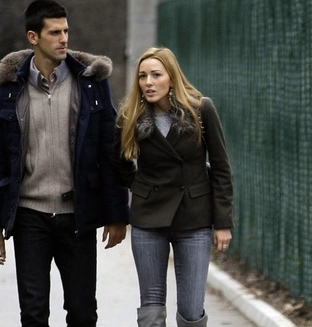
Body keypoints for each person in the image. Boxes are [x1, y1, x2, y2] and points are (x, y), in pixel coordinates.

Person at [0, 1, 130, 326]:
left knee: (81, 313)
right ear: (33, 37)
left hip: (77, 216)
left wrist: (117, 214)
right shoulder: (8, 91)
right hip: (29, 216)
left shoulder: (91, 83)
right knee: (33, 315)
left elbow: (110, 151)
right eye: (54, 32)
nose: (64, 38)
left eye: (66, 31)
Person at [113, 47, 234, 327]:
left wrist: (223, 222)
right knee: (151, 308)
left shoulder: (201, 110)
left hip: (193, 217)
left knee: (192, 310)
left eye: (156, 75)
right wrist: (142, 186)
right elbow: (116, 164)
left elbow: (221, 168)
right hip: (148, 218)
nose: (148, 82)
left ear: (171, 78)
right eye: (143, 76)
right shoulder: (130, 116)